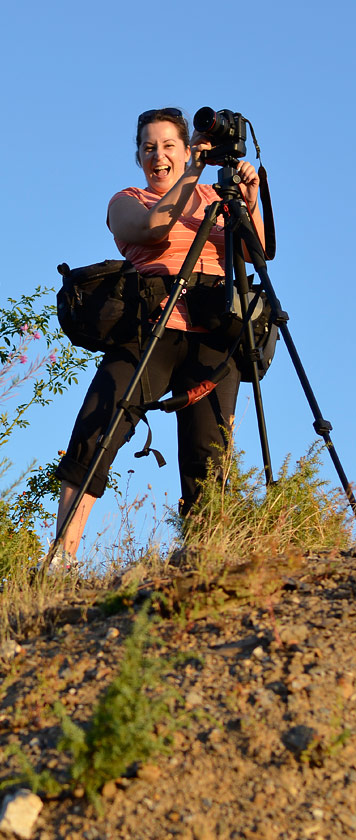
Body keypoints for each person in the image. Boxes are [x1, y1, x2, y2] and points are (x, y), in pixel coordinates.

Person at [53, 107, 265, 565]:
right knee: (97, 429)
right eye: (149, 148)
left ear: (187, 148)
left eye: (169, 145)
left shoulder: (218, 197)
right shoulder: (127, 200)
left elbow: (258, 253)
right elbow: (154, 229)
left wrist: (249, 200)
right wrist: (193, 174)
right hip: (151, 327)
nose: (158, 156)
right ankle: (61, 559)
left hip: (214, 334)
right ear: (139, 156)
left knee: (209, 456)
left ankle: (202, 559)